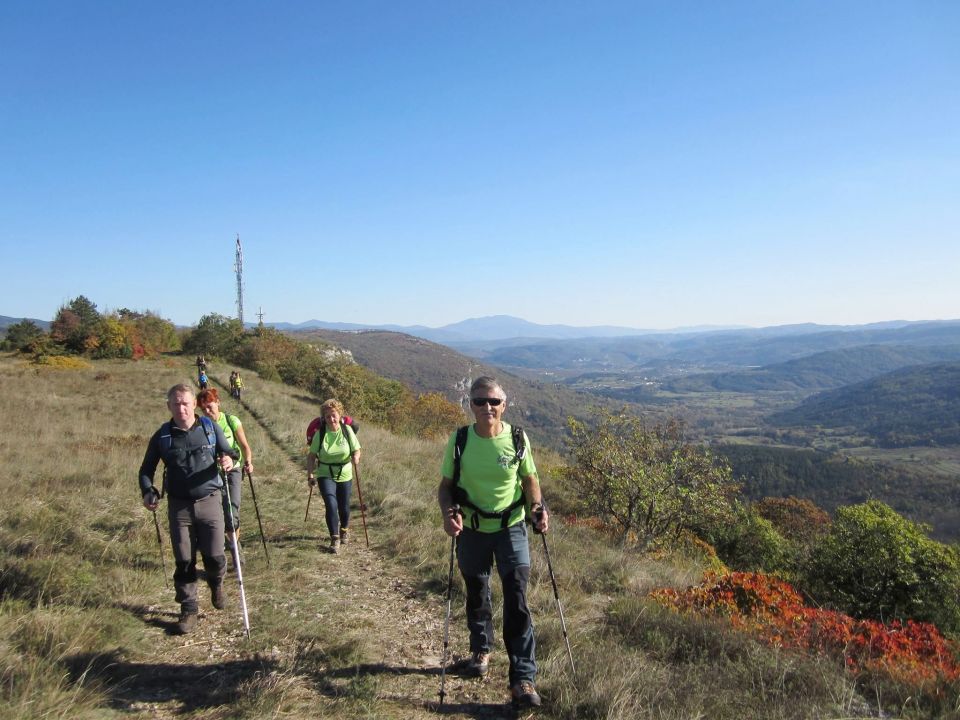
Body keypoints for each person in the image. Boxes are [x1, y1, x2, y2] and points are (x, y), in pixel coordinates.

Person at [437, 377, 549, 709]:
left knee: (516, 597)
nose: (487, 407)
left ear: (504, 405)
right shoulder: (459, 440)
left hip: (511, 527)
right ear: (470, 404)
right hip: (471, 528)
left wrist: (537, 508)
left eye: (493, 402)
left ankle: (523, 680)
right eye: (479, 401)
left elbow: (530, 478)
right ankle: (481, 652)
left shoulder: (516, 437)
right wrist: (448, 513)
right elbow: (445, 487)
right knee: (477, 591)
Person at [138, 383, 239, 635]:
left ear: (194, 404)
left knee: (215, 556)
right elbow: (145, 470)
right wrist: (148, 491)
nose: (181, 408)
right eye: (176, 403)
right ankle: (188, 608)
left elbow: (231, 451)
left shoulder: (209, 428)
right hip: (179, 506)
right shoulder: (163, 436)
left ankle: (216, 582)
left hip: (210, 500)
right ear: (169, 406)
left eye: (185, 403)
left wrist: (229, 459)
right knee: (184, 560)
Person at [196, 388, 254, 548]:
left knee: (232, 510)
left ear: (218, 402)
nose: (207, 411)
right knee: (217, 512)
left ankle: (235, 547)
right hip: (210, 474)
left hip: (232, 471)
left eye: (210, 406)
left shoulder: (231, 421)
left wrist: (248, 461)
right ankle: (222, 545)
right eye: (203, 409)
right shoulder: (199, 426)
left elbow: (244, 446)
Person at [306, 398, 362, 553]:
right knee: (331, 504)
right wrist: (310, 475)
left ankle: (344, 529)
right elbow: (311, 456)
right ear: (323, 418)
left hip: (345, 473)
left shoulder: (347, 430)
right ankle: (334, 538)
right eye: (327, 416)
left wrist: (356, 457)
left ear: (339, 415)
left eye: (333, 415)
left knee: (344, 507)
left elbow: (356, 449)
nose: (331, 419)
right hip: (325, 473)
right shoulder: (321, 433)